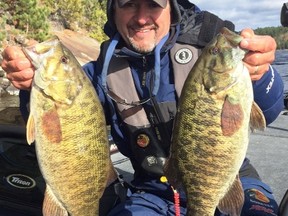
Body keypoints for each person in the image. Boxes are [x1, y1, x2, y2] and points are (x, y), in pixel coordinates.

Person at [1, 0, 284, 215]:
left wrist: (259, 74)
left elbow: (267, 111)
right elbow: (58, 127)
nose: (141, 17)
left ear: (171, 6)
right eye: (129, 4)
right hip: (151, 191)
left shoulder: (208, 46)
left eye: (153, 4)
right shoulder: (96, 74)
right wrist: (30, 87)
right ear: (113, 10)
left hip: (229, 178)